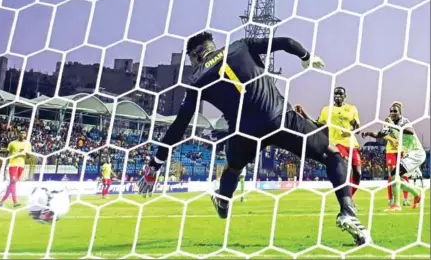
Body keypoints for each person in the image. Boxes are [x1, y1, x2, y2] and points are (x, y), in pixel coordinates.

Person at [137, 32, 372, 245]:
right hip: (280, 118)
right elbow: (286, 42)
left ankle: (223, 199)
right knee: (332, 155)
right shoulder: (241, 46)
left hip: (244, 133)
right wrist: (305, 56)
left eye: (191, 60)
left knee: (232, 168)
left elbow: (179, 126)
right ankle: (347, 209)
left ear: (196, 54)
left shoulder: (196, 81)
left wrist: (154, 166)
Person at [295, 87, 362, 198]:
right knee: (344, 168)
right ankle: (347, 201)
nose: (338, 96)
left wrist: (354, 128)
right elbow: (318, 125)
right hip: (336, 144)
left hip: (352, 143)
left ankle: (350, 197)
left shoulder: (352, 109)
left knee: (358, 172)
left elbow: (358, 129)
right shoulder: (327, 110)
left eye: (340, 94)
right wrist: (303, 114)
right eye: (335, 94)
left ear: (345, 96)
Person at [361, 103, 423, 211]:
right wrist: (369, 133)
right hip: (409, 154)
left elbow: (410, 131)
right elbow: (380, 134)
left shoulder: (404, 121)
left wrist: (394, 127)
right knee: (395, 176)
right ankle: (415, 195)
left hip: (416, 153)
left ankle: (399, 203)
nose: (393, 113)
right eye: (391, 111)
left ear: (400, 113)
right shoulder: (390, 125)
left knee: (395, 175)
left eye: (395, 111)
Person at [0, 130, 32, 207]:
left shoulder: (28, 144)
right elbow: (6, 154)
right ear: (18, 134)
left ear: (26, 134)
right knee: (13, 181)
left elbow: (29, 157)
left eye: (23, 133)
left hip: (21, 165)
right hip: (13, 164)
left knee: (12, 184)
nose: (22, 134)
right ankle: (15, 201)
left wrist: (26, 153)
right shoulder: (12, 143)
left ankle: (2, 202)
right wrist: (4, 163)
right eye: (20, 133)